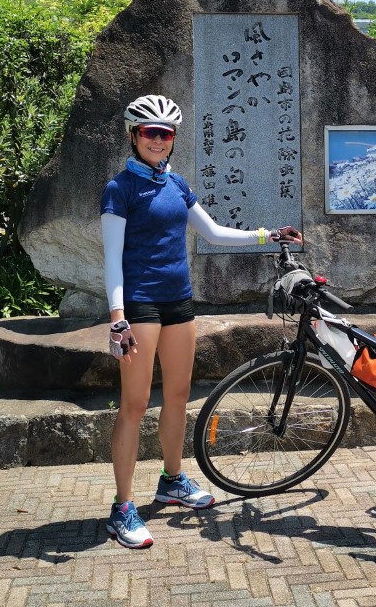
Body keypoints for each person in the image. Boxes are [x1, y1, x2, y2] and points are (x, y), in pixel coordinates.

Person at [101, 93, 302, 549]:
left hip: (179, 302)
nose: (159, 140)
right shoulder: (120, 189)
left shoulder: (177, 184)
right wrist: (117, 318)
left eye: (166, 134)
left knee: (177, 396)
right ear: (134, 136)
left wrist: (266, 235)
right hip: (139, 306)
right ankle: (122, 508)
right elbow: (112, 259)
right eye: (150, 132)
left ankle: (172, 482)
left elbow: (211, 231)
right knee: (133, 405)